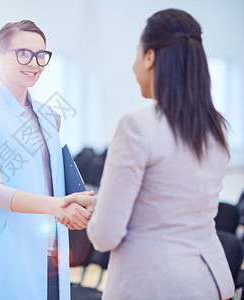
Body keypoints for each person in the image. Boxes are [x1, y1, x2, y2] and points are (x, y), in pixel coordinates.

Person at [64, 8, 234, 299]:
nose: (134, 66)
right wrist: (98, 203)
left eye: (136, 54)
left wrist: (89, 217)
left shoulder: (136, 127)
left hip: (151, 284)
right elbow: (166, 205)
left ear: (150, 57)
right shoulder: (214, 127)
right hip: (210, 281)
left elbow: (105, 237)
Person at [0, 20, 94, 300]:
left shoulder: (50, 116)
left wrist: (78, 201)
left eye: (41, 55)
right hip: (6, 247)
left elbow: (52, 179)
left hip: (51, 246)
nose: (33, 63)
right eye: (23, 53)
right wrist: (57, 207)